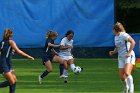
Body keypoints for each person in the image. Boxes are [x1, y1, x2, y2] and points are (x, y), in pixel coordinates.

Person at [0, 28, 34, 93]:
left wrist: (10, 52)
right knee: (12, 81)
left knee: (14, 80)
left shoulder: (2, 42)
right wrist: (28, 56)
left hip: (8, 63)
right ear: (11, 34)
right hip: (4, 63)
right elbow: (19, 51)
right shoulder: (11, 42)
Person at [109, 22, 136, 93]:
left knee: (127, 73)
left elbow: (133, 42)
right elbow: (117, 47)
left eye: (113, 30)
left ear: (116, 29)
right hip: (121, 58)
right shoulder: (115, 37)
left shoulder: (124, 35)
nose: (112, 31)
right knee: (122, 77)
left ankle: (131, 90)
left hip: (128, 56)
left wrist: (129, 52)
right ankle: (126, 87)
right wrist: (113, 52)